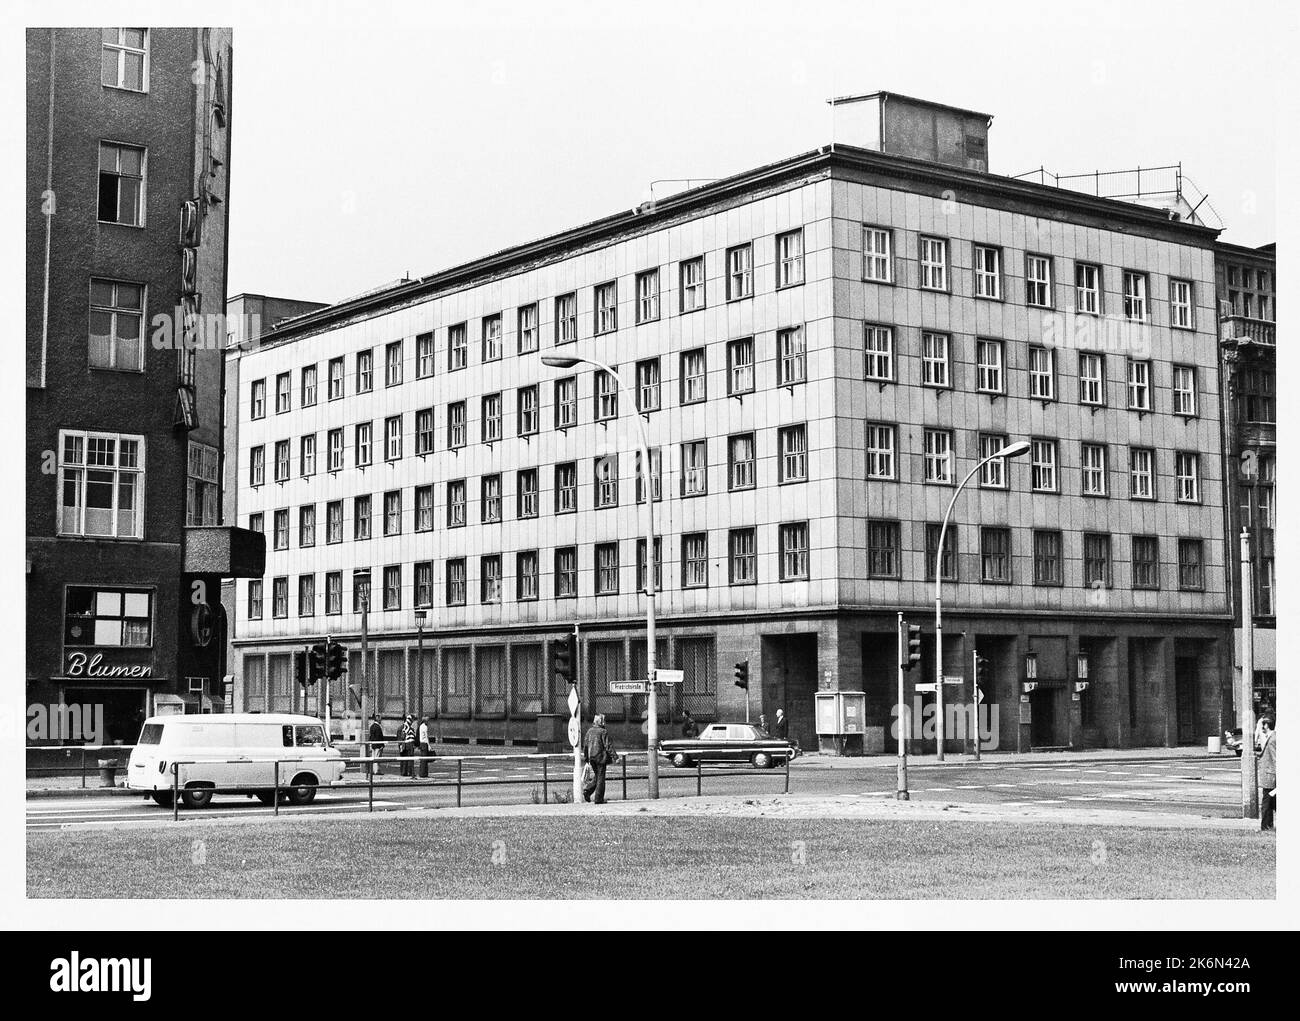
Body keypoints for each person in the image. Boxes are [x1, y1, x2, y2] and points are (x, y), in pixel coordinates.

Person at [582, 714, 619, 804]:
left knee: (598, 776)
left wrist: (586, 758)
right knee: (601, 778)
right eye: (604, 720)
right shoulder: (603, 732)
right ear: (601, 722)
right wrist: (615, 757)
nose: (605, 722)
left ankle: (588, 790)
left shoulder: (589, 731)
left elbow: (585, 746)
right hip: (600, 758)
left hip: (592, 758)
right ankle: (598, 799)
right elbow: (608, 746)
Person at [1257, 717, 1276, 831]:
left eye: (1262, 725)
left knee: (1266, 803)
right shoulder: (1272, 737)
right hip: (1270, 775)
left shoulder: (1273, 739)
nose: (1261, 727)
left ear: (1266, 726)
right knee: (1270, 803)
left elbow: (1275, 758)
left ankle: (1265, 827)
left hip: (1270, 776)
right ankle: (1268, 826)